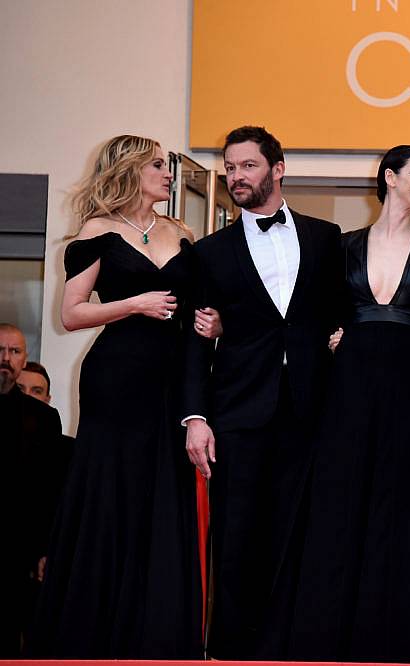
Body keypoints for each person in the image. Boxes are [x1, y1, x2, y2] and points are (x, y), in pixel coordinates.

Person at [30, 135, 212, 658]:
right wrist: (132, 303)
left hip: (172, 379)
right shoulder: (97, 231)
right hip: (116, 378)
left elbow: (198, 307)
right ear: (130, 169)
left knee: (164, 494)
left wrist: (213, 320)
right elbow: (71, 313)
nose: (168, 174)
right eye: (158, 164)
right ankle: (92, 631)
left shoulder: (182, 233)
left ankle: (156, 632)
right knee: (112, 491)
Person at [288, 145, 410, 662]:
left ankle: (401, 637)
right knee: (342, 498)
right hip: (349, 389)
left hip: (408, 390)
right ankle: (330, 636)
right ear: (390, 177)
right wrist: (340, 343)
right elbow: (319, 316)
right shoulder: (343, 246)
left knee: (404, 504)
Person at [180, 125, 343, 659]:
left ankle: (290, 649)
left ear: (278, 168)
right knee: (235, 538)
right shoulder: (208, 252)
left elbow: (338, 316)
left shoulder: (326, 237)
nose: (235, 177)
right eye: (230, 167)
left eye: (247, 166)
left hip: (310, 410)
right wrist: (196, 418)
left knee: (300, 536)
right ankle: (228, 652)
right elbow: (193, 344)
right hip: (238, 412)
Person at [0, 325, 64, 657]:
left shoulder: (43, 418)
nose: (5, 359)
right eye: (0, 350)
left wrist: (45, 549)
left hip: (18, 555)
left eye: (14, 352)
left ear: (24, 358)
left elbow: (49, 491)